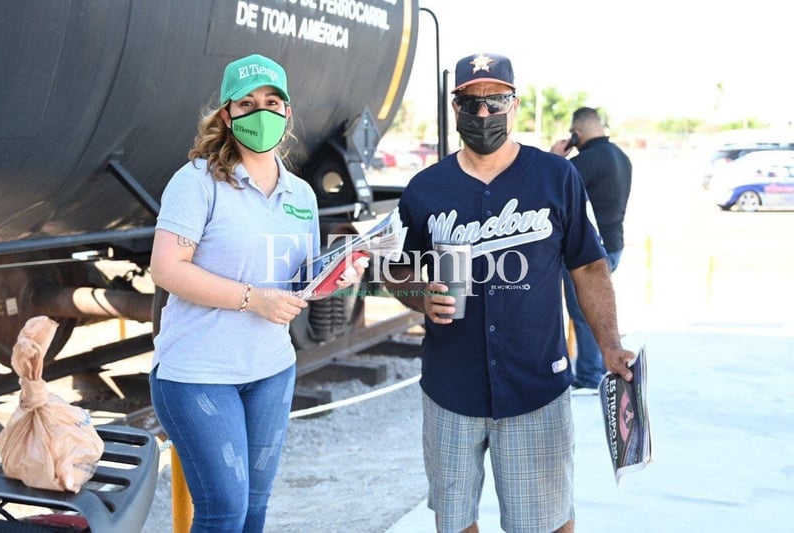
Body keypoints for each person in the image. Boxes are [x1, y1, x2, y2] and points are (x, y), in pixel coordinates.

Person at [382, 52, 635, 533]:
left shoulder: (557, 177)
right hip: (450, 387)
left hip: (535, 384)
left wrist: (609, 345)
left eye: (495, 101)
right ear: (454, 107)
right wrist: (420, 294)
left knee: (547, 521)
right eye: (470, 102)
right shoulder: (425, 188)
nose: (483, 115)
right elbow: (395, 268)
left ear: (514, 105)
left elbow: (589, 266)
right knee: (454, 522)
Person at [149, 53, 363, 531]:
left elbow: (298, 275)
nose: (260, 111)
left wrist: (335, 274)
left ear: (287, 112)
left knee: (254, 511)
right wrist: (253, 299)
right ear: (227, 115)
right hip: (198, 374)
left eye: (271, 101)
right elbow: (166, 268)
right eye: (246, 103)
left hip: (271, 370)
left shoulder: (301, 195)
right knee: (224, 512)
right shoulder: (198, 182)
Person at [550, 107, 633, 391]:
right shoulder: (621, 157)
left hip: (589, 252)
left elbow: (549, 189)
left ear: (577, 133)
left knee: (584, 313)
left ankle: (588, 377)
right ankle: (592, 370)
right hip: (615, 245)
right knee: (594, 308)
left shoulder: (584, 161)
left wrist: (555, 158)